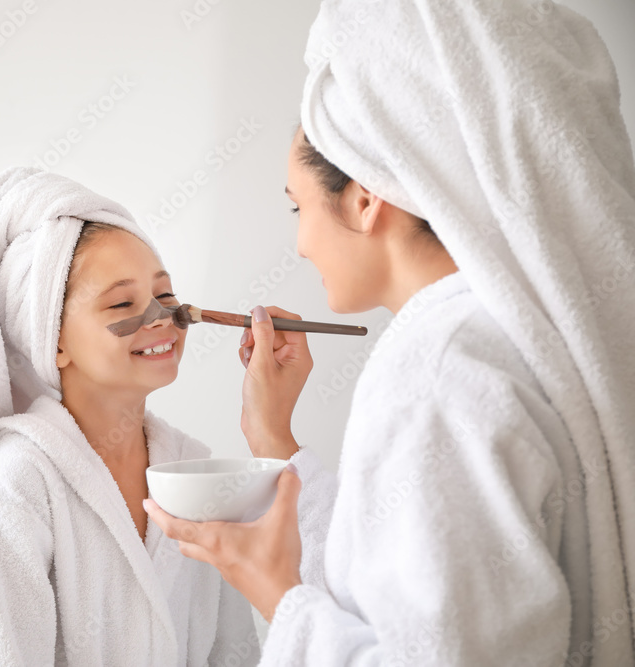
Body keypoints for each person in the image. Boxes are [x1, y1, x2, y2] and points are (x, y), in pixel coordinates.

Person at [145, 1, 635, 665]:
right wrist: (274, 439)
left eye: (298, 206)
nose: (299, 243)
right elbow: (405, 585)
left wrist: (275, 591)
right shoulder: (500, 339)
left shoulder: (437, 369)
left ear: (365, 198)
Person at [0, 166, 259, 666]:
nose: (160, 317)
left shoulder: (196, 472)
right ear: (56, 340)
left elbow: (235, 651)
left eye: (167, 295)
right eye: (121, 303)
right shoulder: (18, 486)